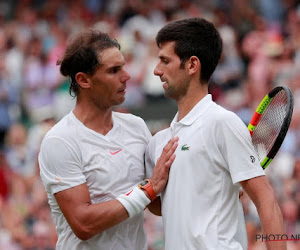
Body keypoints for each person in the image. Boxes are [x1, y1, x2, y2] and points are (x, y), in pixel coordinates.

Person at [145, 18, 286, 250]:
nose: (156, 70)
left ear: (192, 65)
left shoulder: (222, 123)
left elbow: (266, 200)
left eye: (165, 60)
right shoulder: (159, 142)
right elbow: (164, 206)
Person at [38, 30, 178, 250]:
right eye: (114, 70)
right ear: (84, 80)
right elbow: (83, 224)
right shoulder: (59, 141)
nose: (126, 76)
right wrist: (149, 188)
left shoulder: (136, 126)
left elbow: (156, 205)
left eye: (123, 66)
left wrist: (212, 190)